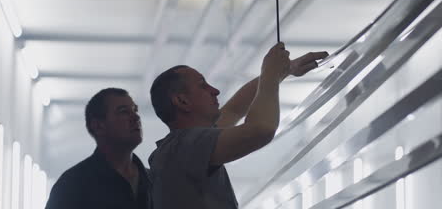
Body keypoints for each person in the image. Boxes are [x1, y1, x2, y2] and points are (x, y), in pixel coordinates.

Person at [148, 42, 328, 209]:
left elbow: (235, 109)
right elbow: (261, 129)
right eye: (203, 86)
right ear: (182, 101)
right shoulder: (184, 146)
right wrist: (271, 74)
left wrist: (285, 70)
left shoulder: (180, 147)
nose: (215, 90)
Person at [45, 88, 152, 209]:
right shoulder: (72, 184)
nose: (136, 117)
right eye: (123, 111)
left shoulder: (153, 180)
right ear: (98, 126)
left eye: (135, 110)